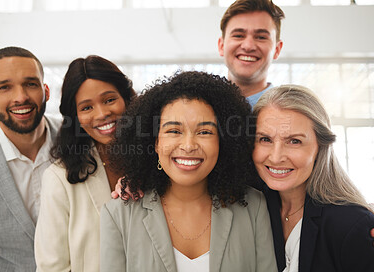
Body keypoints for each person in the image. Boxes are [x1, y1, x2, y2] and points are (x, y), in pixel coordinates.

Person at [101, 71, 276, 272]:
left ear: (223, 141)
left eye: (204, 132)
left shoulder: (253, 207)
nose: (188, 145)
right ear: (155, 142)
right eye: (174, 131)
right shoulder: (119, 214)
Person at [252, 84, 374, 272]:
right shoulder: (253, 210)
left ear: (320, 147)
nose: (276, 157)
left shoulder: (351, 224)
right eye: (265, 139)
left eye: (294, 141)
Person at [34, 55, 136, 271]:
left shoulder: (157, 161)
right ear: (75, 116)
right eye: (87, 108)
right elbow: (52, 266)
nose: (102, 114)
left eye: (109, 100)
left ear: (126, 99)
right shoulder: (59, 178)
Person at [0, 46, 60, 271]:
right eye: (4, 87)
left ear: (46, 91)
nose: (20, 97)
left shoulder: (82, 142)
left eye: (31, 84)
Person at [218, 0, 284, 106]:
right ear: (221, 46)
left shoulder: (291, 114)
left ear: (277, 49)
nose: (248, 46)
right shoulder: (200, 108)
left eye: (261, 37)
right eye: (238, 35)